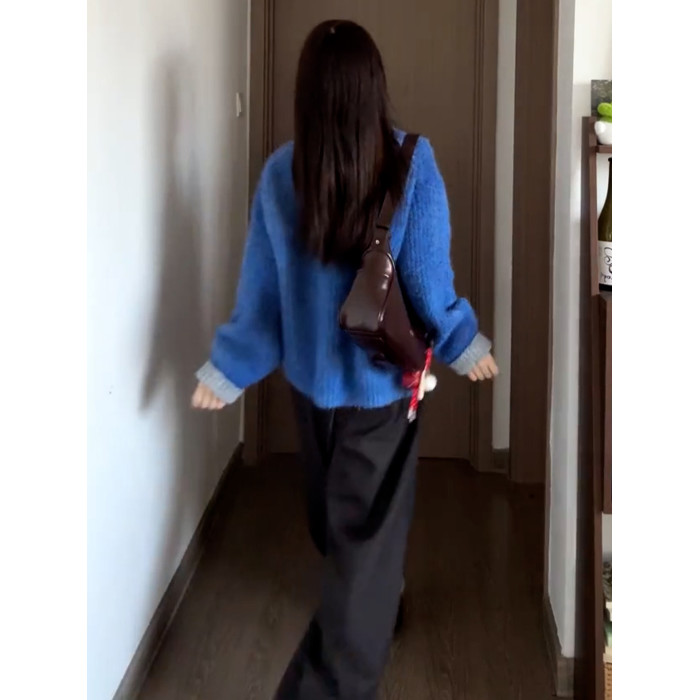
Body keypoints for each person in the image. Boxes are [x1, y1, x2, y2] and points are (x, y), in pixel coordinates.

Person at [191, 19, 499, 700]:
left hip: (310, 390)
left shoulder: (281, 171)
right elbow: (428, 283)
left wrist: (232, 368)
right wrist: (462, 342)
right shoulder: (411, 163)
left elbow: (261, 293)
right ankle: (350, 641)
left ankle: (375, 597)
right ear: (374, 87)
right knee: (360, 540)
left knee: (341, 527)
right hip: (383, 390)